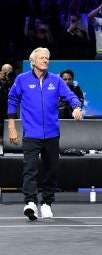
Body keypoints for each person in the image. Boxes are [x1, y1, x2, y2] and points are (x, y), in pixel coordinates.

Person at [7, 47, 82, 221]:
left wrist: (76, 107)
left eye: (47, 58)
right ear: (33, 61)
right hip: (31, 133)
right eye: (41, 58)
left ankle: (47, 202)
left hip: (52, 133)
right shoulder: (22, 79)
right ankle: (31, 202)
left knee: (51, 170)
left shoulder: (56, 80)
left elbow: (70, 96)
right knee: (30, 168)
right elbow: (12, 100)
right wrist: (11, 127)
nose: (45, 60)